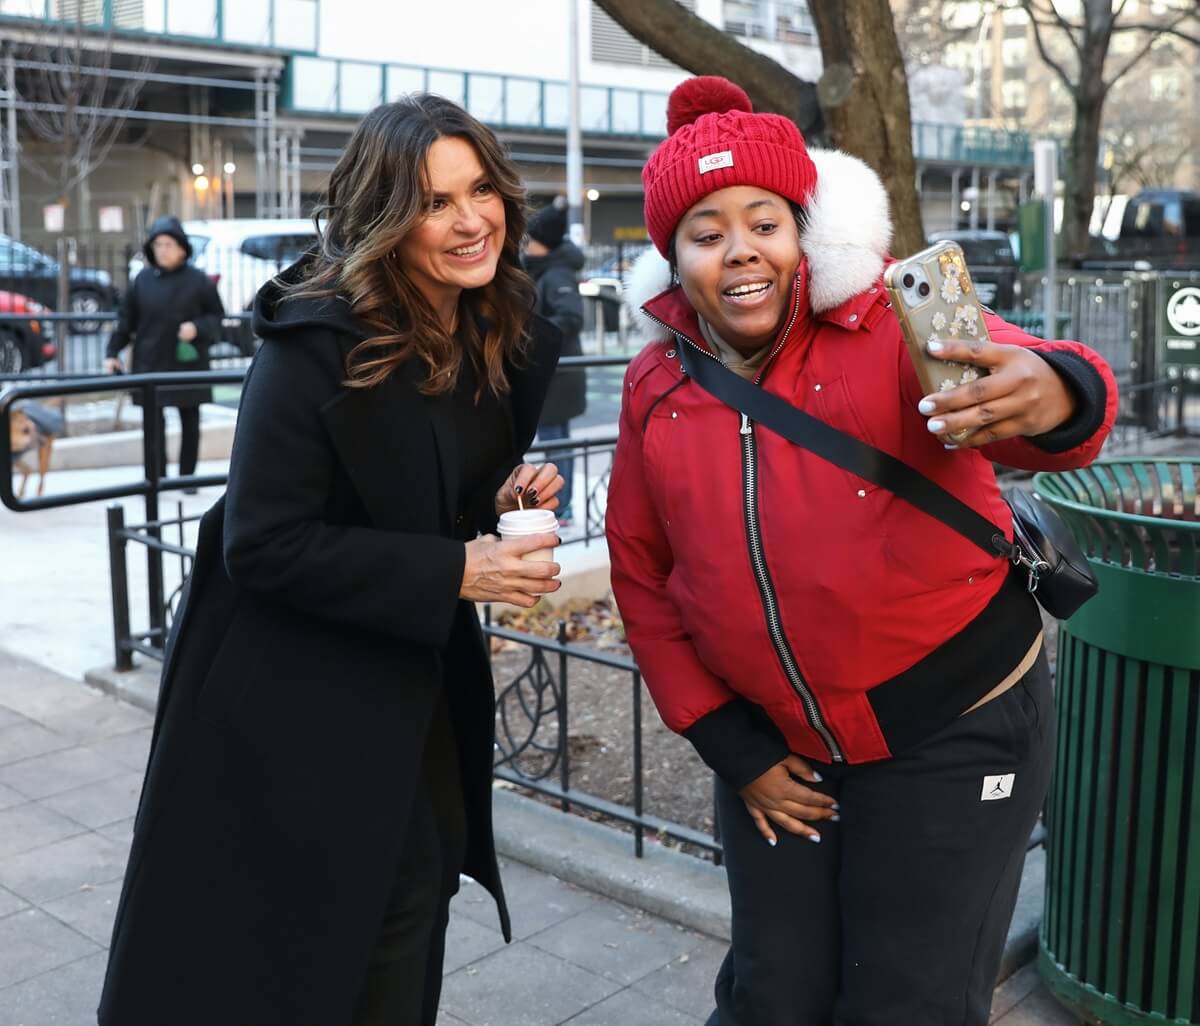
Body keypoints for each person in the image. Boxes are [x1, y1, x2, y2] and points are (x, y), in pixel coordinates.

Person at [608, 77, 1117, 1026]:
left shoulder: (892, 319)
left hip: (955, 729)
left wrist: (1055, 393)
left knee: (906, 1004)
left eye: (763, 220)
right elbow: (640, 572)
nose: (739, 251)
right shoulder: (655, 383)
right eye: (705, 231)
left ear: (802, 230)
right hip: (778, 753)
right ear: (673, 259)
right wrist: (728, 744)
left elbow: (1037, 385)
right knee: (772, 996)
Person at [98, 95, 566, 1026]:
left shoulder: (487, 329)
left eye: (481, 190)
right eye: (435, 202)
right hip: (287, 698)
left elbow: (423, 490)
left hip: (408, 681)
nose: (471, 219)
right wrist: (455, 572)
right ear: (387, 217)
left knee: (416, 896)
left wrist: (498, 503)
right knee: (300, 942)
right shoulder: (313, 343)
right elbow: (264, 542)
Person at [104, 216, 225, 486]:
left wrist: (197, 328)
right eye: (158, 244)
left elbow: (217, 318)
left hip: (188, 365)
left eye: (169, 244)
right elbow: (126, 321)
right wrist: (112, 352)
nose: (163, 250)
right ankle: (155, 477)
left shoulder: (199, 281)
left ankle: (187, 478)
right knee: (153, 426)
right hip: (150, 363)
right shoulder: (142, 281)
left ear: (182, 248)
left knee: (189, 422)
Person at [524, 197, 586, 525]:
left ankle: (561, 508)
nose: (527, 246)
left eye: (531, 240)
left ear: (543, 243)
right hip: (554, 373)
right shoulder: (546, 270)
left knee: (556, 443)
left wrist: (532, 336)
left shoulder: (556, 274)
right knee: (555, 440)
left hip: (558, 374)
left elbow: (571, 317)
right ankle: (561, 506)